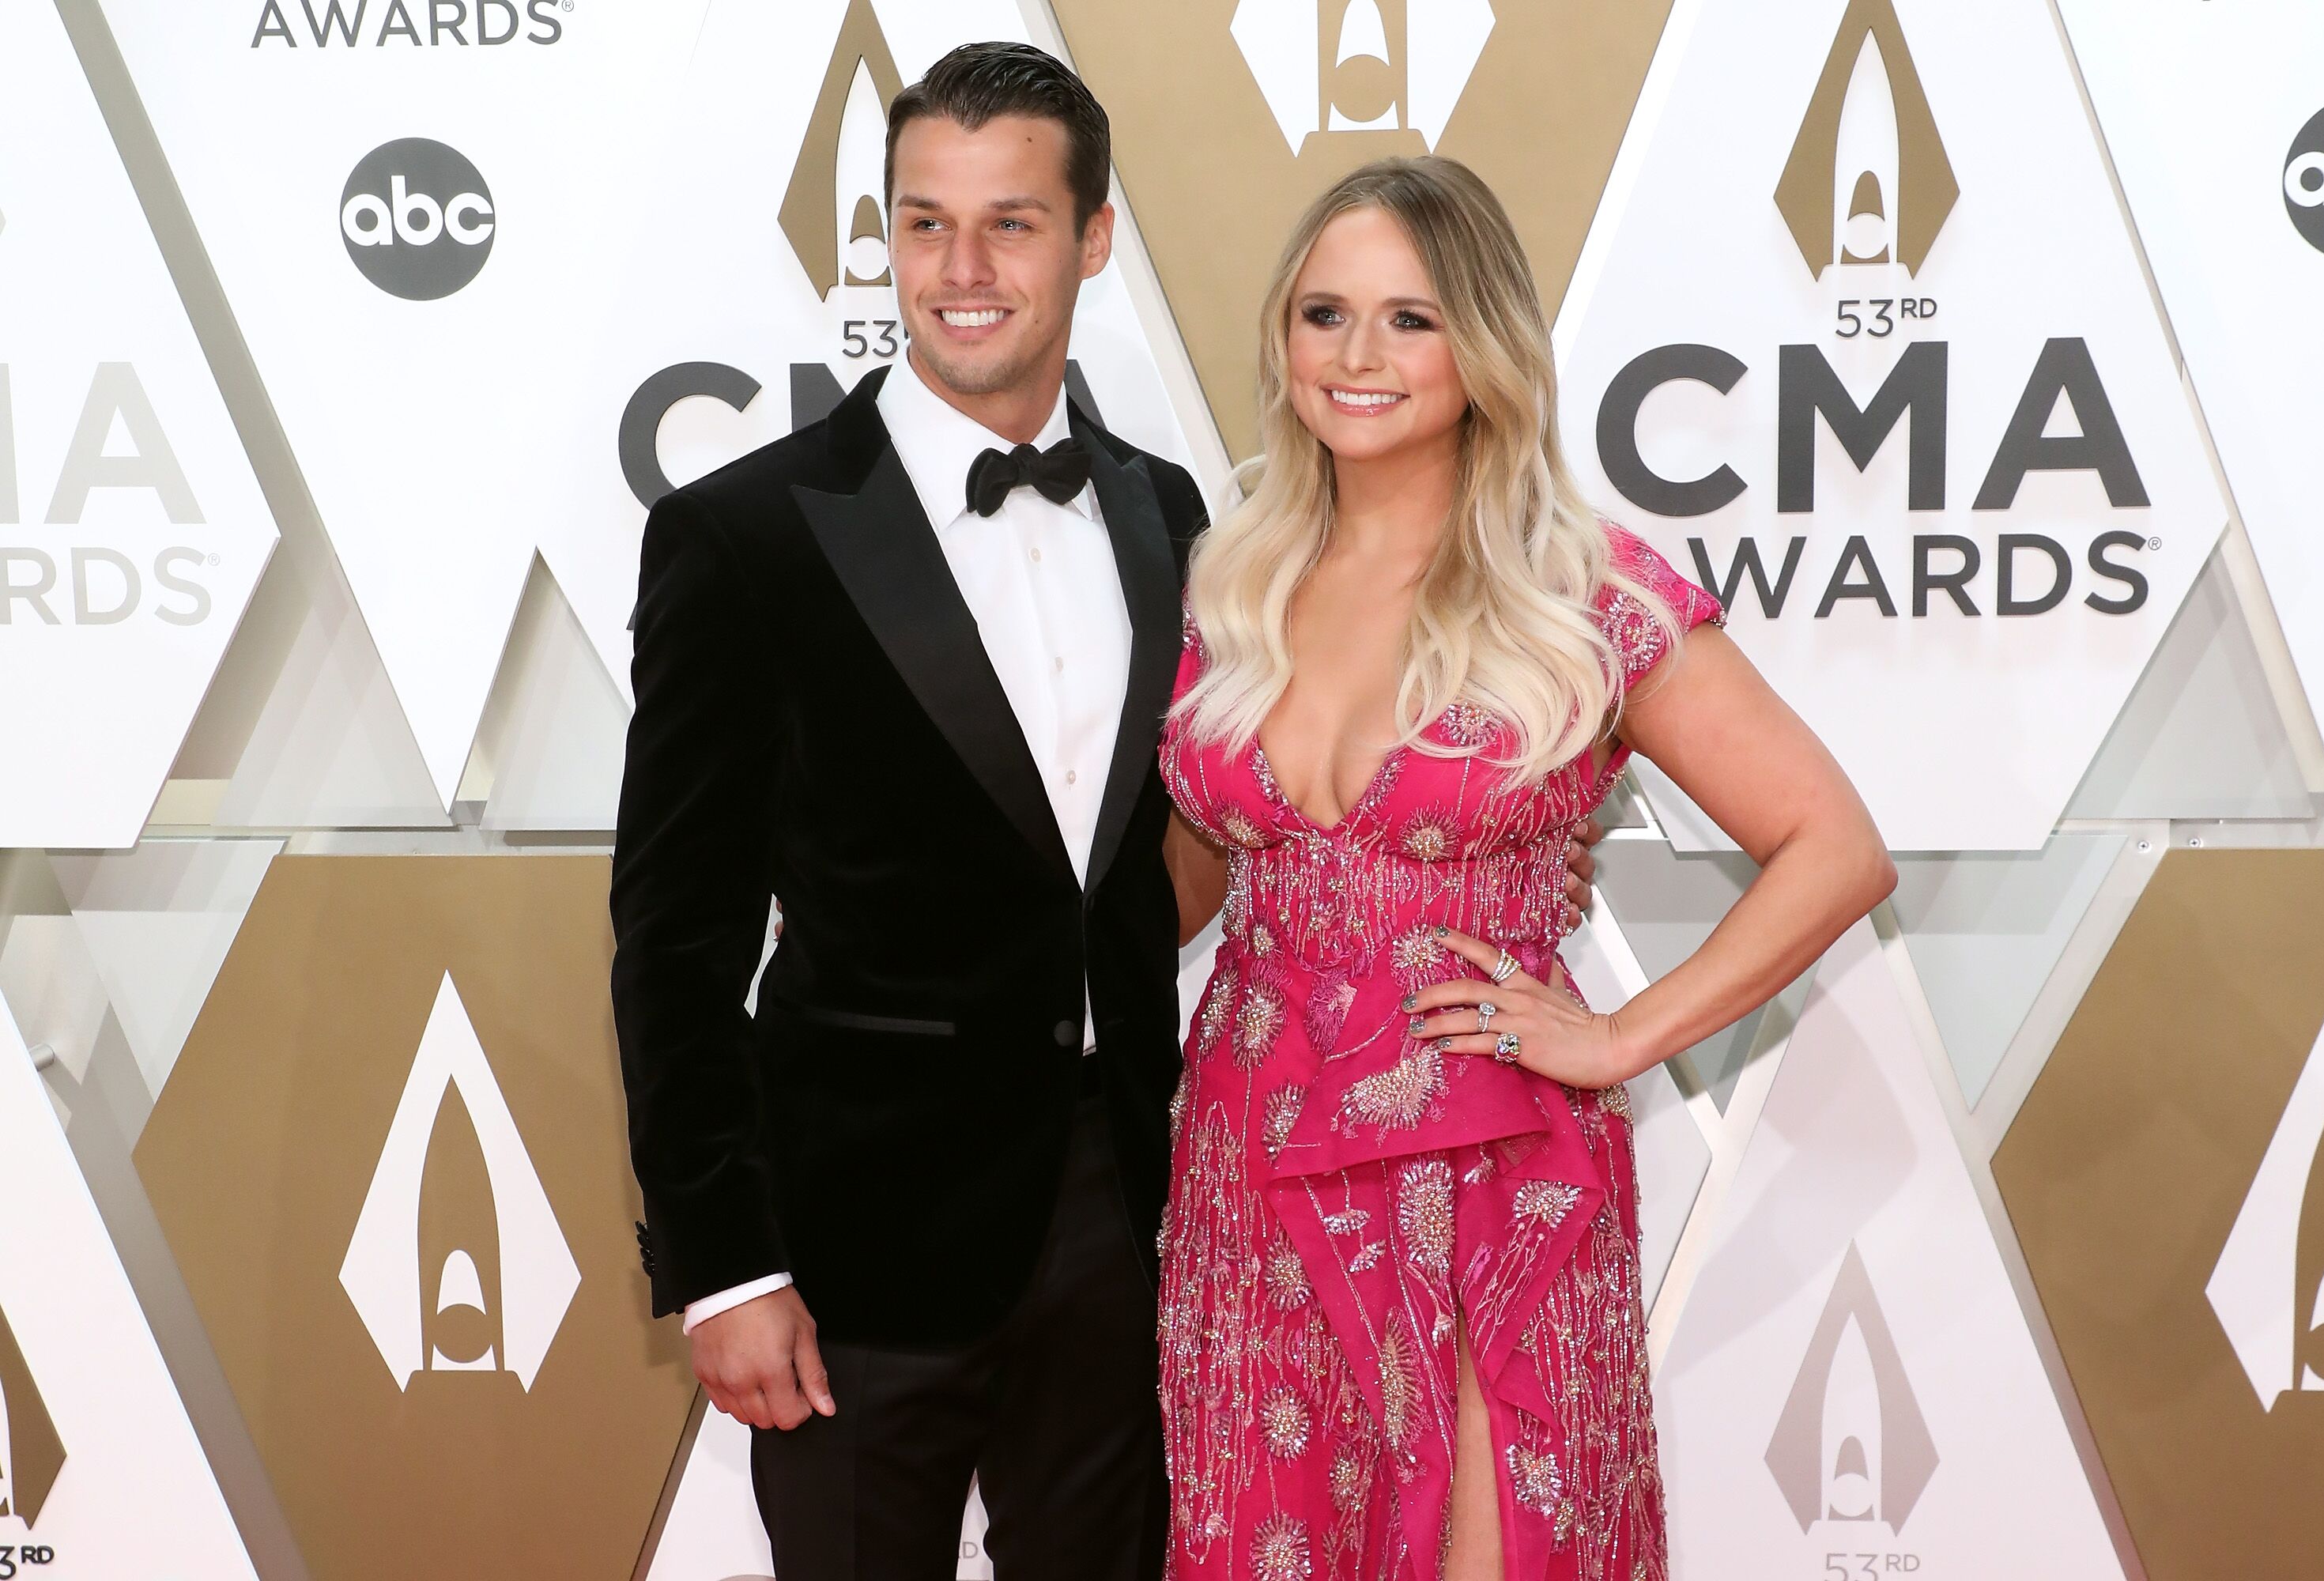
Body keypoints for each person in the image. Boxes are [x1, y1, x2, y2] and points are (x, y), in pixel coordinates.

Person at [609, 43, 1606, 1581]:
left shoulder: (1176, 519)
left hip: (1137, 1231)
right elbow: (674, 939)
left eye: (1010, 222)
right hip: (858, 1253)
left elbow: (1158, 865)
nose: (960, 268)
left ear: (1093, 240)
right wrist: (726, 1261)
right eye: (923, 221)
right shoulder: (742, 536)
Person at [1156, 158, 1896, 1580]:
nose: (1358, 357)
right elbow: (1198, 867)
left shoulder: (1582, 590)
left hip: (1493, 1169)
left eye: (1410, 320)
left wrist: (1620, 1033)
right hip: (1249, 1159)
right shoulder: (1231, 580)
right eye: (1325, 315)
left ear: (1485, 346)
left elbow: (1835, 846)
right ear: (1283, 340)